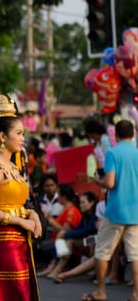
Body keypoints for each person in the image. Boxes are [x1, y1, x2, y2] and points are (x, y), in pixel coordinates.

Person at [0, 94, 42, 301]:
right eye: (19, 133)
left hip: (19, 235)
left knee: (23, 289)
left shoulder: (12, 166)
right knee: (15, 292)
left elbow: (19, 202)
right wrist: (19, 220)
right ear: (3, 137)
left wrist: (33, 214)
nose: (23, 138)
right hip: (4, 239)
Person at [82, 119, 138, 301]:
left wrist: (96, 181)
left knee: (102, 252)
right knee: (135, 254)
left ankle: (100, 292)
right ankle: (136, 293)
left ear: (117, 135)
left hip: (115, 211)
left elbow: (110, 183)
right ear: (133, 134)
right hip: (135, 211)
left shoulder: (113, 153)